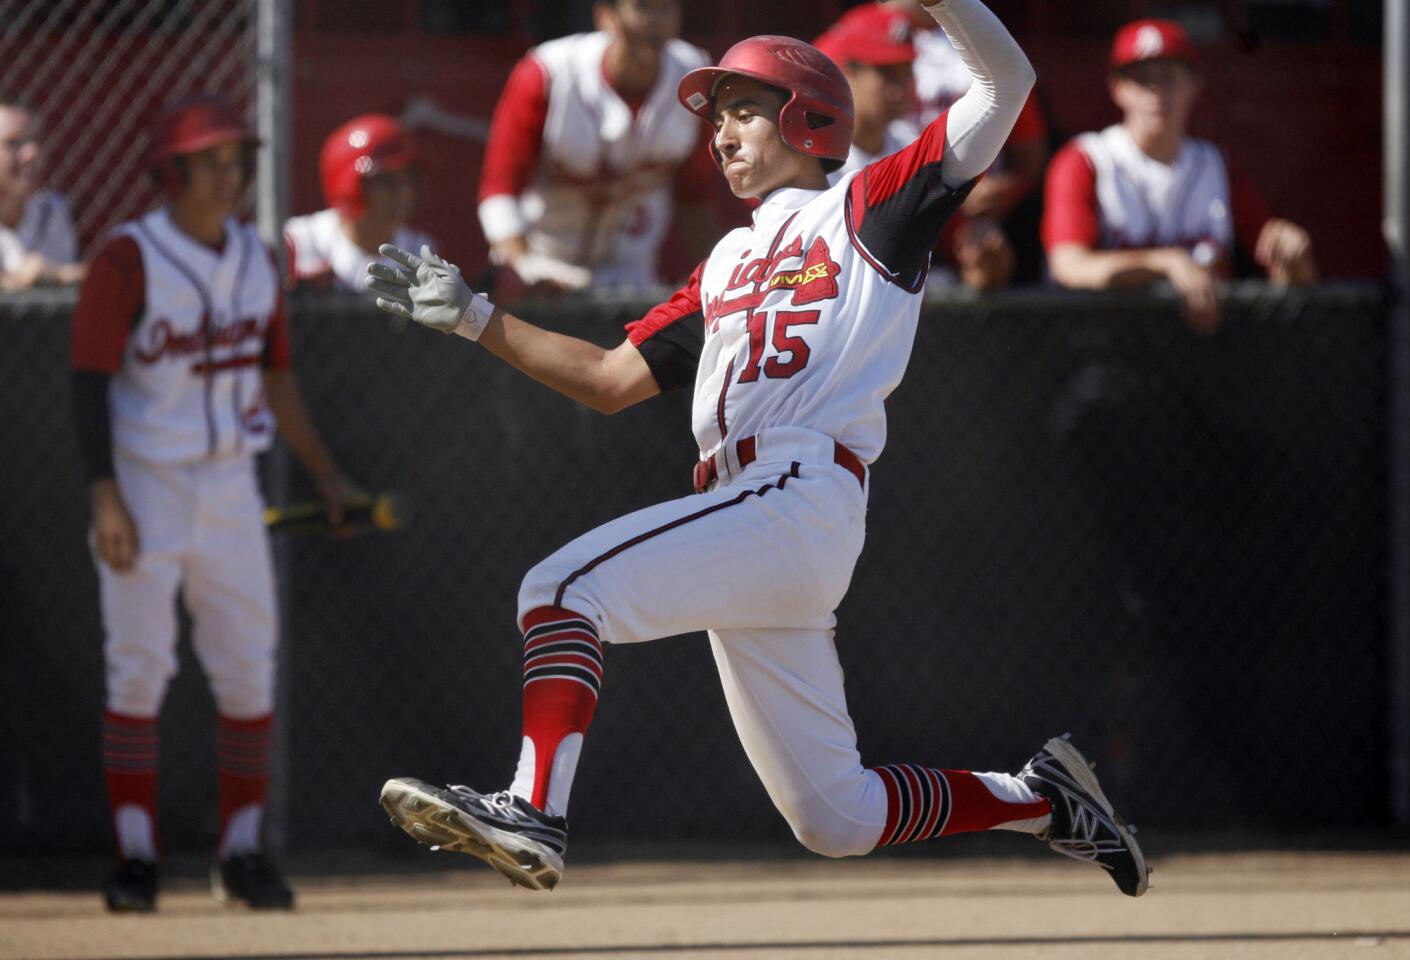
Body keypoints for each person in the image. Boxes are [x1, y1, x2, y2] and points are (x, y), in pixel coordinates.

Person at [368, 0, 1148, 899]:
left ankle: (532, 809)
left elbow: (1004, 83)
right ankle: (1042, 800)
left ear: (808, 118)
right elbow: (609, 378)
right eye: (717, 114)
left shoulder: (870, 206)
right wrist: (475, 319)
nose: (721, 132)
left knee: (558, 590)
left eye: (742, 108)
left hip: (796, 488)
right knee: (837, 818)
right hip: (761, 521)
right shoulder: (727, 262)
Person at [71, 96, 354, 913]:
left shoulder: (257, 258)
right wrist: (105, 496)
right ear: (172, 171)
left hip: (232, 485)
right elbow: (87, 382)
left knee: (245, 669)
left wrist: (326, 474)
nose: (230, 175)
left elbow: (277, 377)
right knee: (137, 670)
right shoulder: (128, 258)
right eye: (212, 160)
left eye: (238, 160)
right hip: (145, 483)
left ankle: (239, 853)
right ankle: (134, 856)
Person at [1043, 19, 1317, 334]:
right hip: (1104, 346)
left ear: (1194, 83)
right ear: (1117, 89)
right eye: (1142, 80)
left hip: (1198, 347)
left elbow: (1284, 274)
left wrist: (1294, 254)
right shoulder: (1086, 159)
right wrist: (1167, 263)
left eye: (1168, 77)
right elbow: (1069, 267)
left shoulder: (1214, 165)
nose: (1156, 93)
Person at [476, 0, 713, 293]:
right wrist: (521, 267)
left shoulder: (693, 78)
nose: (657, 20)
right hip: (545, 265)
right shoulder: (550, 72)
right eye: (643, 7)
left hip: (631, 275)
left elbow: (694, 198)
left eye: (667, 8)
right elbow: (499, 189)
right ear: (606, 17)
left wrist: (717, 275)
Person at [816, 2, 1013, 290]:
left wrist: (981, 264)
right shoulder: (812, 155)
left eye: (906, 71)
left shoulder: (911, 146)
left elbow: (956, 246)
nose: (900, 87)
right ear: (849, 72)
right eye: (886, 73)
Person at [889, 0, 1049, 282]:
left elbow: (1030, 154)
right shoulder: (860, 32)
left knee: (989, 263)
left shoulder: (982, 27)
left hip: (979, 216)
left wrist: (1002, 189)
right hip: (894, 205)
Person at [285, 113, 436, 292]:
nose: (401, 194)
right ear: (347, 186)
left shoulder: (420, 251)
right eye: (385, 180)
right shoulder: (302, 241)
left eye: (408, 179)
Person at [0, 97, 84, 291]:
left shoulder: (51, 209)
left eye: (35, 141)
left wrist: (51, 273)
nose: (31, 153)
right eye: (13, 143)